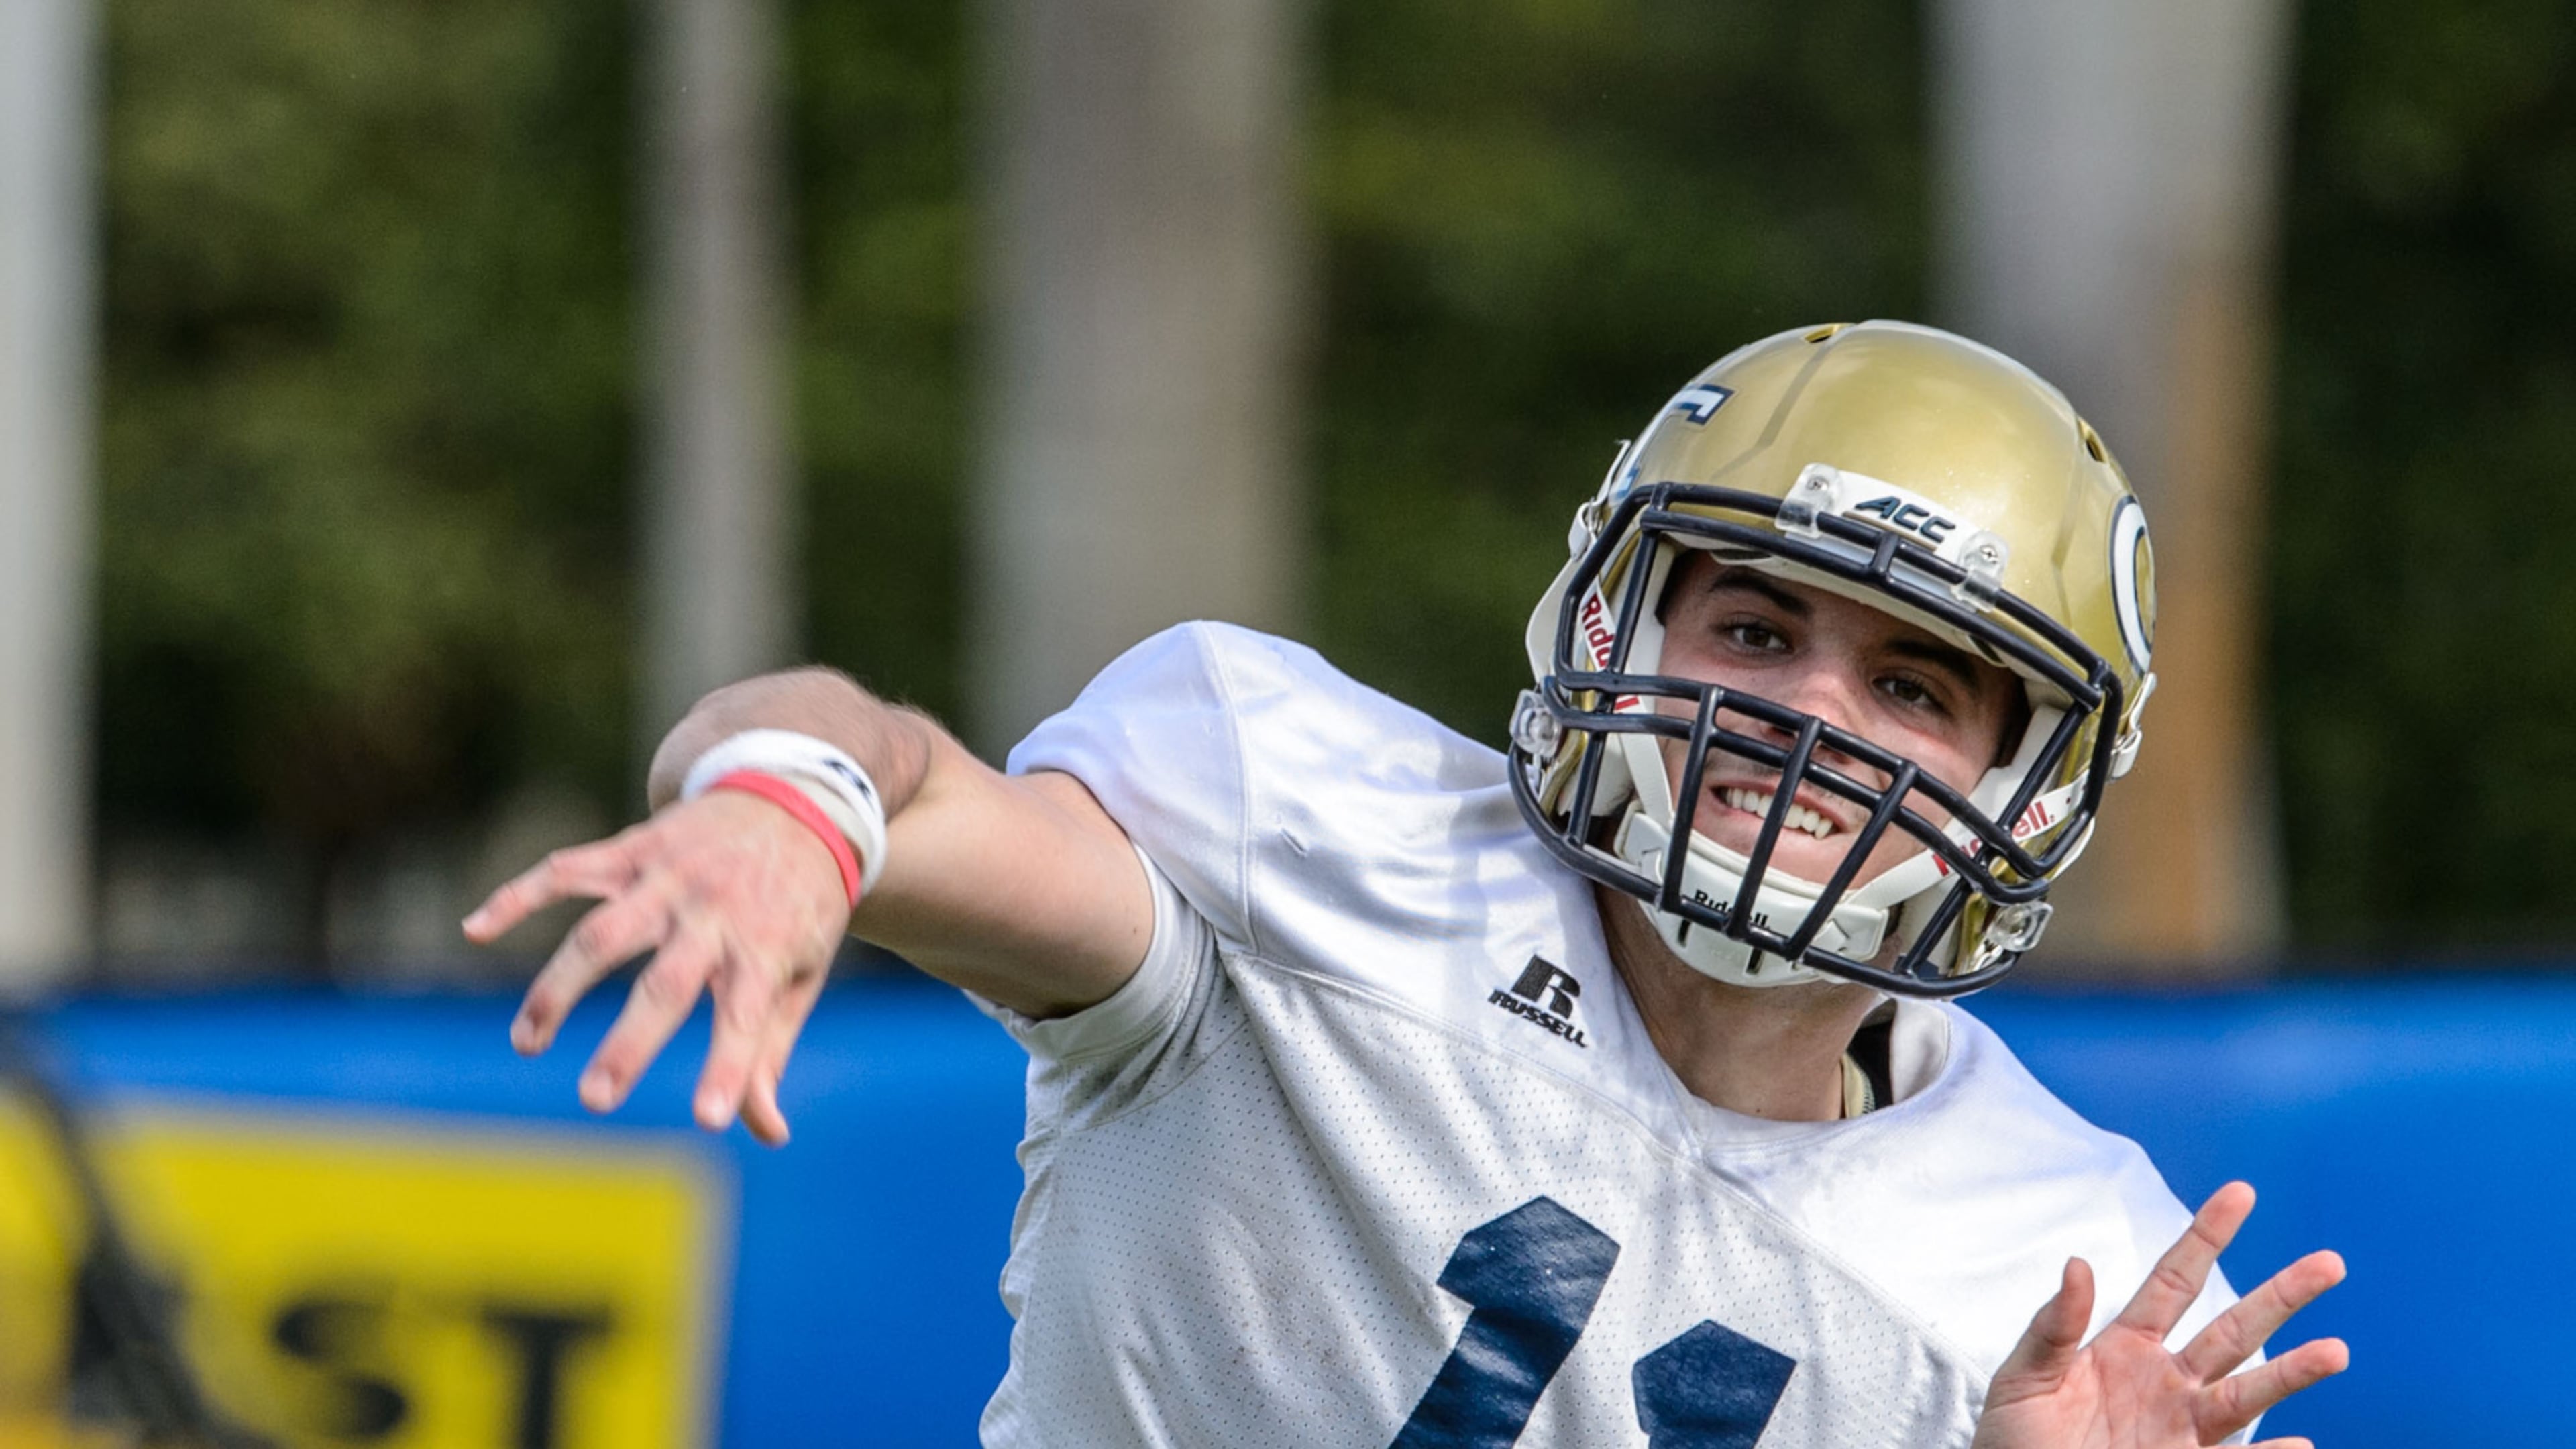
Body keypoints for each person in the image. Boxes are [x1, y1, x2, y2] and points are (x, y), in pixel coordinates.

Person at [467, 321, 2347, 1447]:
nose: (1807, 722)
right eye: (1758, 629)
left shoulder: (2073, 1275)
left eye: (1913, 688)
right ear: (1619, 627)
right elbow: (905, 774)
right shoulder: (1310, 841)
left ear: (2026, 784)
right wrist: (790, 809)